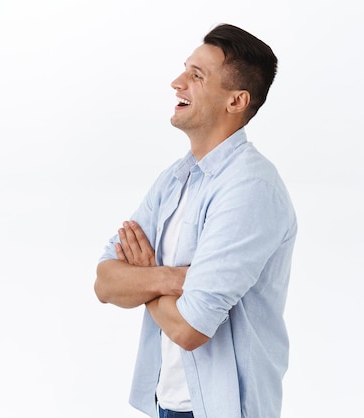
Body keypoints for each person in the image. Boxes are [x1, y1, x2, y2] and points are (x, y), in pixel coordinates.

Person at [94, 24, 297, 418]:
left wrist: (143, 276)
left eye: (196, 76)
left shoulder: (250, 188)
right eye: (185, 69)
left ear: (236, 101)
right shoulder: (175, 179)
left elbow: (190, 330)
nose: (177, 82)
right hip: (165, 404)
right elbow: (104, 282)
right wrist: (168, 277)